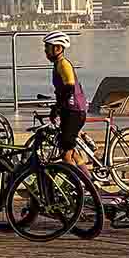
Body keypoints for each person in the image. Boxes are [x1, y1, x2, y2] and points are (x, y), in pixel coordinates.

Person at [44, 31, 88, 170]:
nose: (45, 51)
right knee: (72, 152)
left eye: (47, 47)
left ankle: (78, 186)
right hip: (70, 110)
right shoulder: (58, 64)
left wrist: (57, 107)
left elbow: (69, 88)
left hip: (74, 111)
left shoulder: (63, 64)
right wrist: (57, 108)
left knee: (66, 155)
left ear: (58, 48)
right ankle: (90, 183)